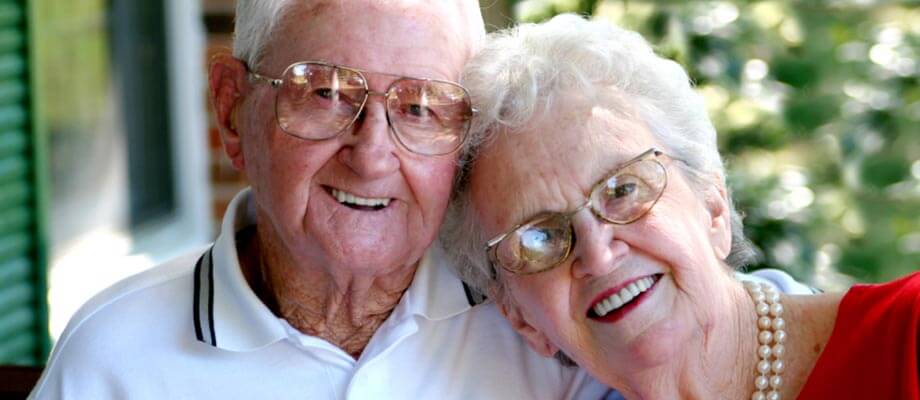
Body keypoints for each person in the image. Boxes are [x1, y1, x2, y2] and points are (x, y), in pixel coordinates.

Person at [28, 2, 616, 399]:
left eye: (420, 107)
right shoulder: (112, 358)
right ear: (232, 110)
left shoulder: (542, 330)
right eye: (326, 92)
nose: (371, 154)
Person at [442, 14, 920, 400]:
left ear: (712, 205)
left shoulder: (906, 337)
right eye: (540, 236)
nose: (599, 253)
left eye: (622, 189)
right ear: (520, 318)